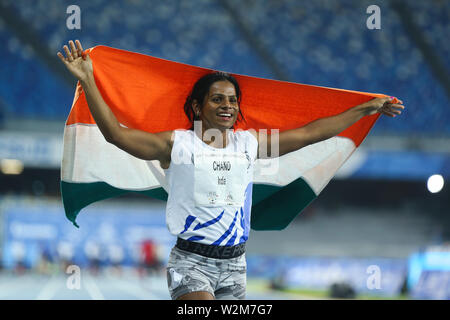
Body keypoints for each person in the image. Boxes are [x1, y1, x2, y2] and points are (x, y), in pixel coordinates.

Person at [57, 40, 404, 300]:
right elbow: (116, 135)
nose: (227, 105)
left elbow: (312, 133)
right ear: (197, 105)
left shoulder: (248, 144)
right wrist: (88, 79)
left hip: (236, 265)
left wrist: (365, 109)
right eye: (217, 99)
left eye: (232, 100)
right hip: (191, 263)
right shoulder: (176, 145)